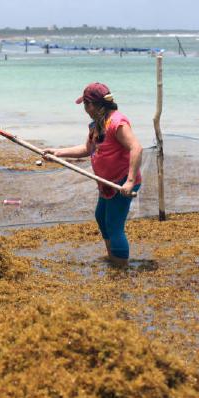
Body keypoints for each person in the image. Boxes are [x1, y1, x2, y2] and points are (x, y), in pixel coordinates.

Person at [44, 83, 143, 267]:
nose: (85, 110)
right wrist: (57, 153)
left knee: (114, 224)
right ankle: (112, 256)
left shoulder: (117, 123)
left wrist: (129, 182)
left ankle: (121, 267)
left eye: (85, 105)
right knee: (101, 216)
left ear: (94, 105)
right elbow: (87, 149)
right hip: (105, 183)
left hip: (121, 183)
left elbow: (136, 147)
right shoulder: (97, 124)